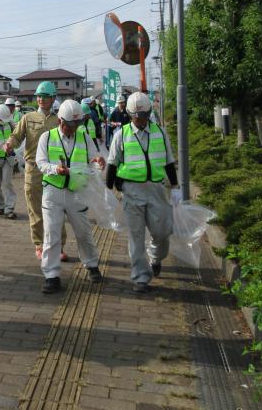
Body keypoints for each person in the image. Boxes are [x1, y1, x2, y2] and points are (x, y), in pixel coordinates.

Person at [105, 92, 179, 293]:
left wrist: (175, 187)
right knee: (136, 236)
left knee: (162, 232)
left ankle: (156, 256)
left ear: (149, 113)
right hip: (131, 191)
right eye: (136, 116)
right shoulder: (121, 135)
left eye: (144, 115)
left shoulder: (160, 133)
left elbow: (169, 162)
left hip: (156, 190)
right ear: (130, 114)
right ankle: (140, 277)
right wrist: (108, 191)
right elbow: (112, 164)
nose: (140, 120)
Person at [36, 100, 105, 293]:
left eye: (76, 125)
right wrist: (55, 169)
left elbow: (93, 160)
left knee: (83, 232)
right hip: (53, 192)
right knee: (52, 235)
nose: (73, 129)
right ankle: (51, 276)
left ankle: (92, 265)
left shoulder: (84, 138)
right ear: (60, 121)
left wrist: (99, 160)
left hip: (77, 191)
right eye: (69, 125)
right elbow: (40, 163)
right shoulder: (46, 138)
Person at [5, 81, 69, 261]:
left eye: (45, 96)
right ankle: (40, 244)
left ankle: (59, 246)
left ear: (53, 98)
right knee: (35, 210)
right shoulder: (28, 117)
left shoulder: (59, 120)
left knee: (57, 209)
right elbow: (16, 136)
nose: (41, 99)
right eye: (39, 96)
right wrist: (9, 144)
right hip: (33, 169)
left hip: (55, 170)